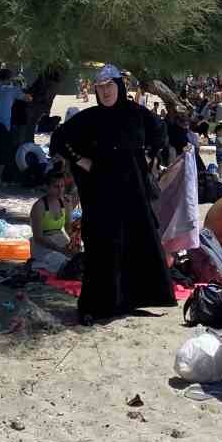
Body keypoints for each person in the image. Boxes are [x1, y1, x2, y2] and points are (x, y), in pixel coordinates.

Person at [49, 64, 174, 323]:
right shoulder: (90, 118)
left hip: (133, 192)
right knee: (103, 245)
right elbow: (60, 138)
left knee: (136, 241)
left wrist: (150, 155)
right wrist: (79, 159)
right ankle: (100, 304)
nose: (106, 92)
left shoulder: (137, 113)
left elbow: (161, 131)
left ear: (119, 86)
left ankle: (132, 300)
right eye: (101, 87)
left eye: (110, 86)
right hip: (101, 193)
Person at [29, 160, 82, 273]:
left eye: (62, 186)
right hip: (43, 245)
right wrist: (60, 249)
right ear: (47, 187)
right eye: (56, 187)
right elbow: (38, 237)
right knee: (62, 263)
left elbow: (68, 227)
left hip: (60, 239)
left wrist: (74, 242)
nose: (60, 190)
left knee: (79, 259)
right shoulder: (39, 206)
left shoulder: (66, 203)